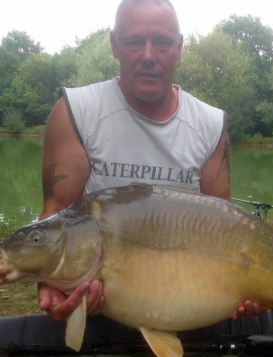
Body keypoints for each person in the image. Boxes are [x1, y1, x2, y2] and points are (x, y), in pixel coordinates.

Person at [38, 0, 260, 324]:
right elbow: (56, 214)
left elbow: (223, 227)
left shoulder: (210, 125)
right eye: (133, 42)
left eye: (162, 42)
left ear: (180, 47)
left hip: (183, 299)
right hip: (99, 300)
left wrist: (244, 288)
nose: (147, 56)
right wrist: (51, 282)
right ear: (114, 44)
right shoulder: (76, 111)